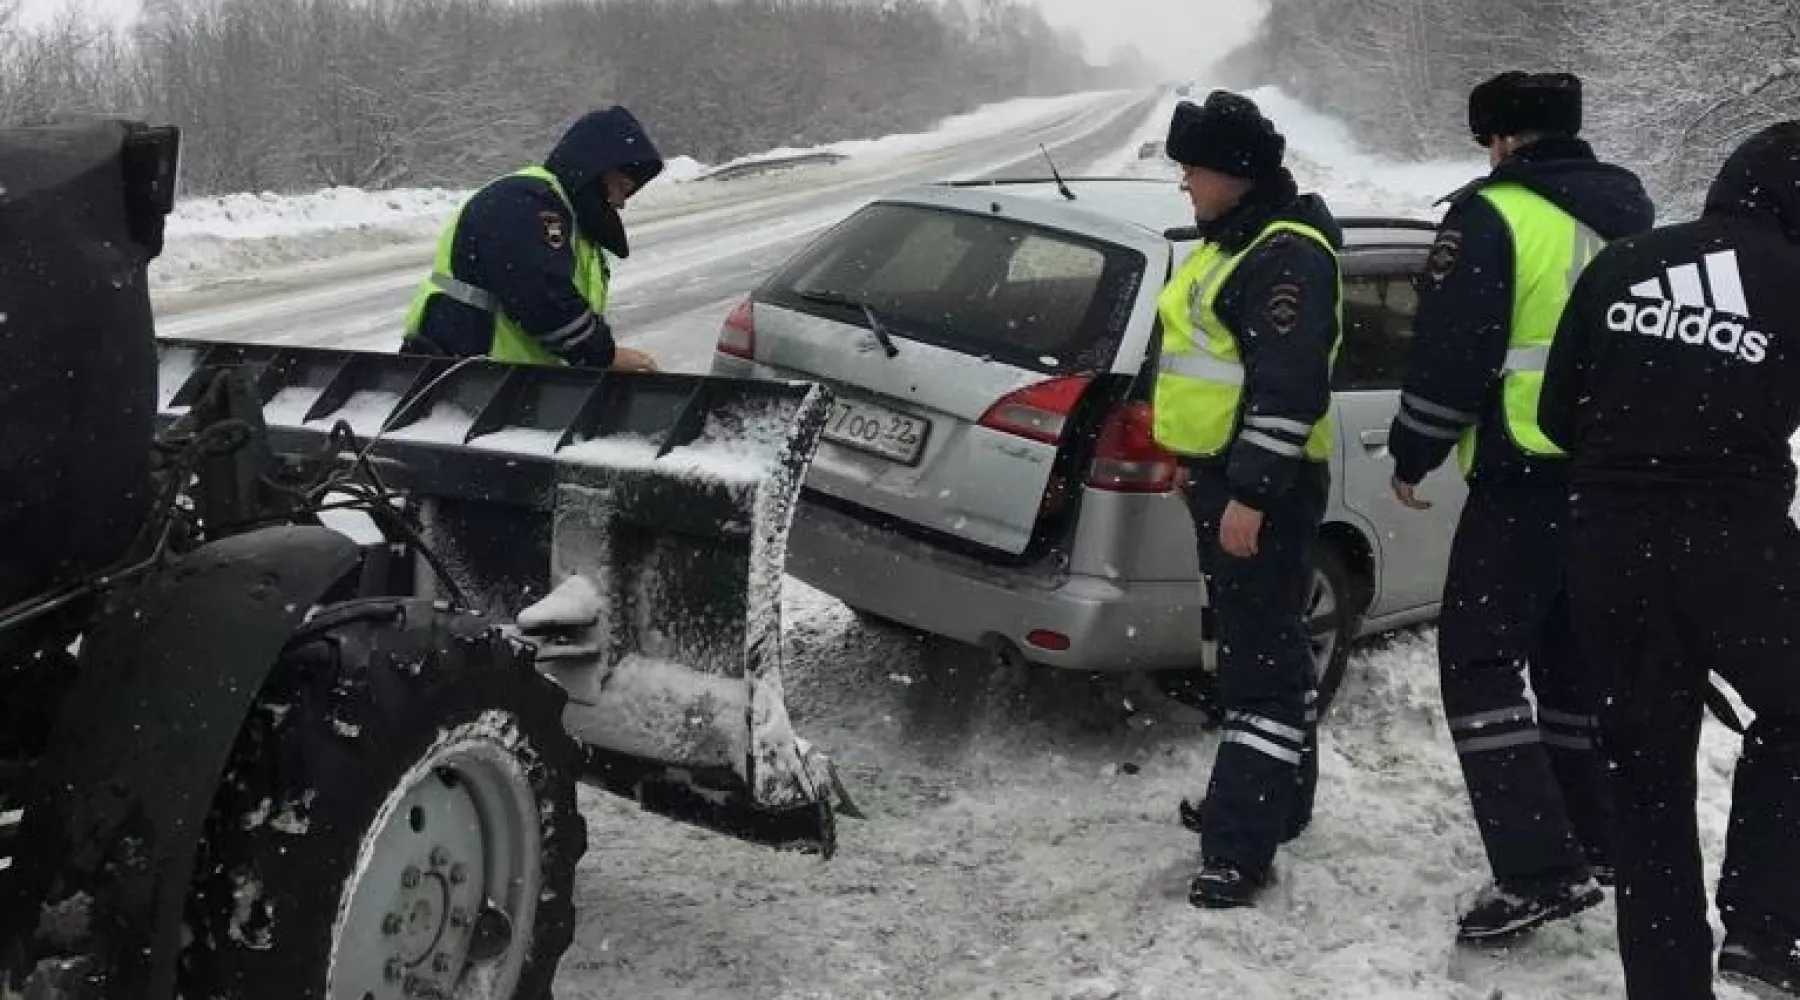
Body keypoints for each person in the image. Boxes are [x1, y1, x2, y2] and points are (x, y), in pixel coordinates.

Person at [1383, 70, 1655, 942]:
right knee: (1572, 667)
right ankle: (1598, 836)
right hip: (1611, 482)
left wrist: (1414, 447)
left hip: (1526, 477)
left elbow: (1452, 355)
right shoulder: (1635, 219)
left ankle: (1539, 868)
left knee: (1478, 663)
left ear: (1502, 139)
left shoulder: (1491, 216)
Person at [1540, 120, 1800, 1000]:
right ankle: (1766, 925)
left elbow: (1551, 414)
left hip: (1608, 547)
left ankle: (1667, 986)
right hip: (1737, 545)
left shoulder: (1622, 263)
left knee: (1645, 787)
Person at [1150, 90, 1344, 909]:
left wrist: (1253, 494)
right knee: (1270, 652)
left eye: (1193, 168)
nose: (1185, 182)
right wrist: (1187, 457)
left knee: (1258, 669)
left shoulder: (1284, 255)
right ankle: (1276, 806)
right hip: (1224, 477)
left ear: (1234, 173)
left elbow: (1288, 388)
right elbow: (1206, 366)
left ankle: (1237, 849)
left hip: (1264, 486)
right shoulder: (1235, 242)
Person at [402, 105, 663, 372]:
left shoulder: (570, 220)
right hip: (458, 378)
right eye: (621, 187)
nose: (620, 203)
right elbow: (541, 296)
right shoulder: (525, 201)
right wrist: (605, 355)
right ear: (595, 169)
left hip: (503, 384)